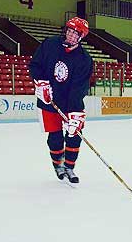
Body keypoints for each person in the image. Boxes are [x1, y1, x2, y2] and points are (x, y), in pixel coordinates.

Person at [29, 17, 93, 183]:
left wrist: (75, 113)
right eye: (70, 31)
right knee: (55, 137)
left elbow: (79, 88)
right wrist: (40, 82)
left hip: (69, 103)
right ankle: (58, 165)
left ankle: (70, 167)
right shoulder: (50, 44)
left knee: (74, 135)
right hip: (48, 101)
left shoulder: (84, 59)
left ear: (81, 37)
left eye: (75, 34)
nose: (71, 36)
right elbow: (35, 65)